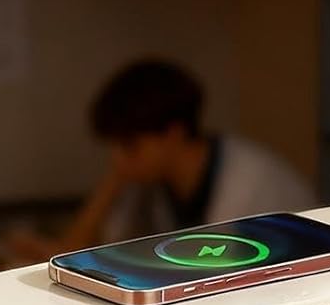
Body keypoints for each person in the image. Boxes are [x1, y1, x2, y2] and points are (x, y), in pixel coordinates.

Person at [45, 59, 314, 258]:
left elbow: (216, 266)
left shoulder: (246, 181)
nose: (117, 159)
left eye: (129, 145)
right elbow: (83, 251)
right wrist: (114, 182)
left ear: (173, 133)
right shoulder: (152, 181)